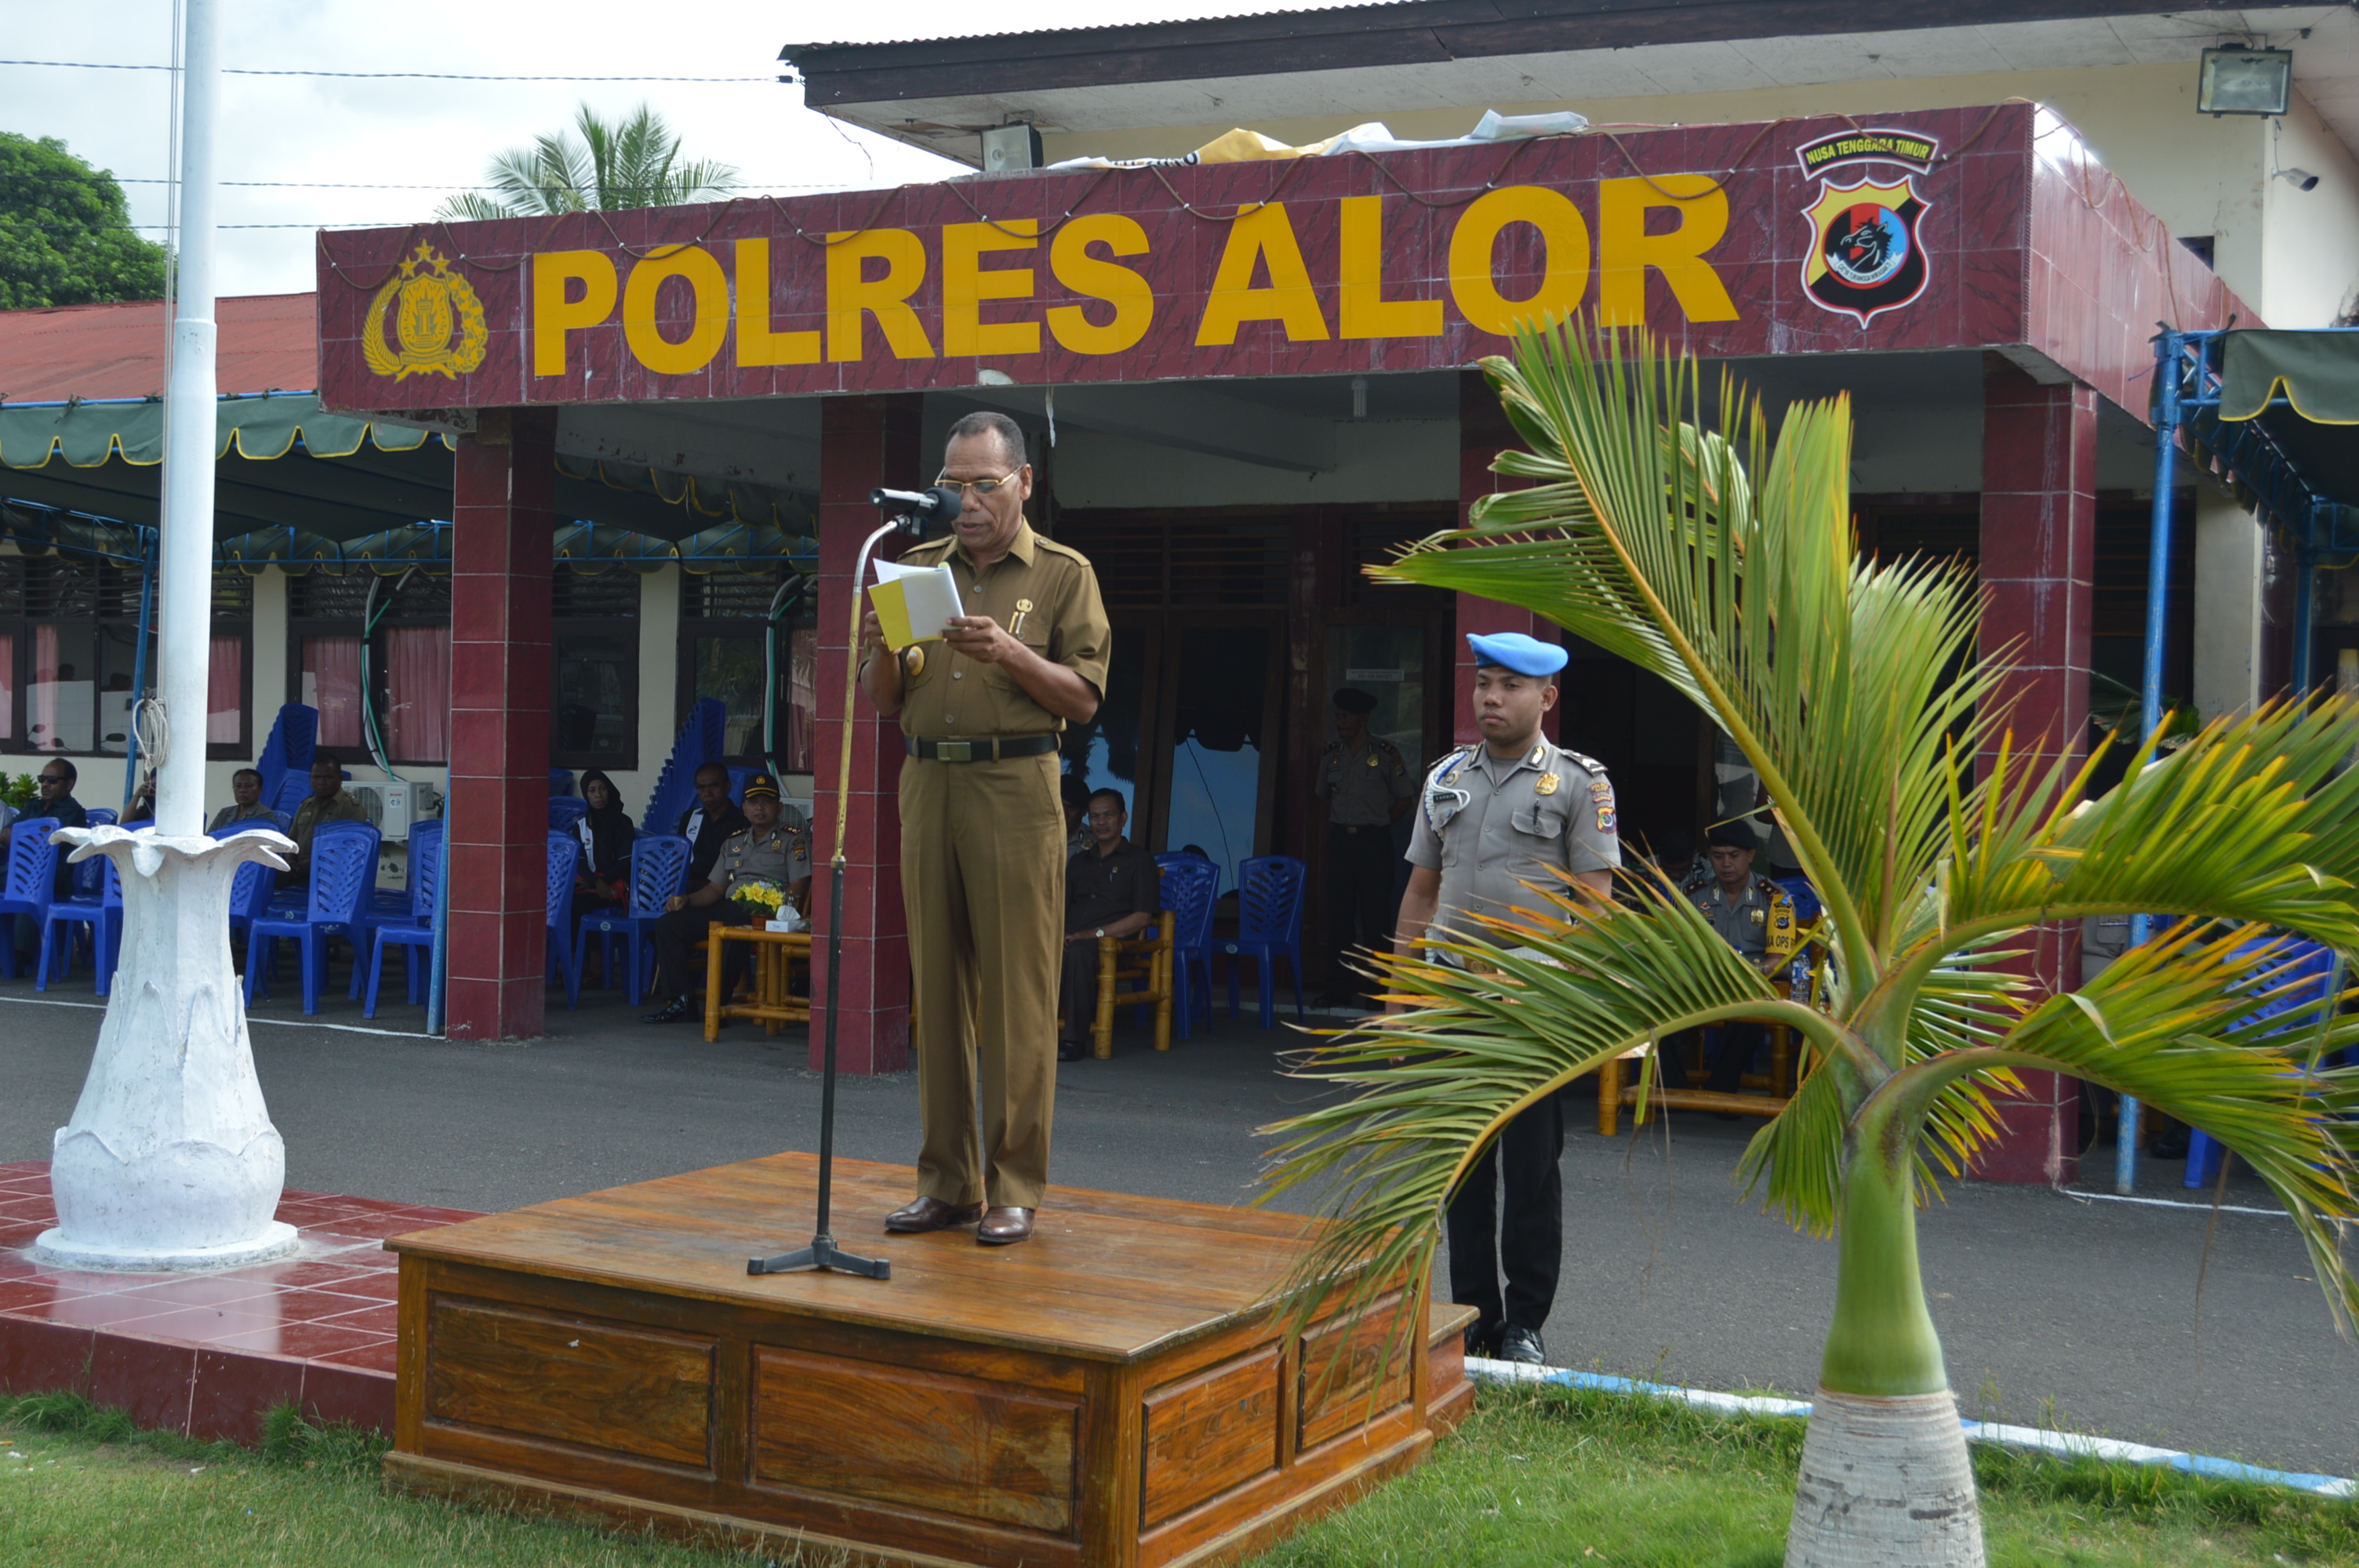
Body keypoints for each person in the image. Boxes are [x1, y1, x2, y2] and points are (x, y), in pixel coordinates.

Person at [859, 408, 1110, 1247]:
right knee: (937, 984)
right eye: (951, 484)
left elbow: (1082, 700)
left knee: (1016, 994)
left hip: (1017, 782)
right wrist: (884, 647)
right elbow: (884, 700)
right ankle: (947, 1182)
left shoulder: (1065, 573)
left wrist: (1009, 651)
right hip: (926, 778)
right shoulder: (913, 568)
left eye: (982, 484)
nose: (964, 501)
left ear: (1023, 483)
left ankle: (1012, 1185)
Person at [1394, 632, 1618, 1366]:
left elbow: (1595, 907)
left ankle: (1524, 1323)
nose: (1490, 697)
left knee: (1530, 1170)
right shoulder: (1444, 778)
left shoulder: (1582, 785)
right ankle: (1471, 1314)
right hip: (1453, 997)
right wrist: (1402, 1003)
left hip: (1532, 1008)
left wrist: (1569, 1000)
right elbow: (1420, 896)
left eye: (1509, 687)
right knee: (1462, 1168)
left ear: (1545, 698)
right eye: (1483, 683)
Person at [642, 773, 810, 1022]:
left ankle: (718, 1002)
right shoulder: (734, 842)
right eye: (753, 802)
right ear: (744, 808)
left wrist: (784, 910)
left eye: (766, 801)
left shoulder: (793, 839)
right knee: (668, 924)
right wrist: (686, 900)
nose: (760, 808)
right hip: (729, 906)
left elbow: (799, 883)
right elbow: (715, 889)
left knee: (734, 925)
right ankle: (682, 1000)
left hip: (766, 912)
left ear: (779, 807)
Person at [1671, 824, 1798, 1096]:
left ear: (1751, 855)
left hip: (1750, 981)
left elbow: (1778, 960)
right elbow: (1677, 949)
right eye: (1717, 856)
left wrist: (1745, 975)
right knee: (1658, 1004)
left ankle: (1722, 1090)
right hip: (1701, 981)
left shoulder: (1776, 898)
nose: (1726, 864)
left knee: (1750, 1015)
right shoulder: (1692, 894)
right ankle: (1672, 1089)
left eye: (1734, 855)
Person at [1317, 686, 1415, 1007]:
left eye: (1345, 716)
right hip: (1341, 841)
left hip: (1374, 843)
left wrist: (1380, 821)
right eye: (1337, 715)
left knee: (1376, 919)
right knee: (1339, 918)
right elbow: (1322, 795)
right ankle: (1338, 989)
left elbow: (1404, 798)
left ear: (1363, 718)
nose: (1339, 721)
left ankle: (1379, 991)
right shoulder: (1331, 754)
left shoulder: (1385, 753)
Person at [1057, 789, 1162, 1062]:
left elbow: (1141, 917)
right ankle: (1029, 1034)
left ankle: (1073, 1041)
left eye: (1108, 815)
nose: (1101, 822)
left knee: (1079, 951)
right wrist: (1056, 935)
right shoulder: (1079, 861)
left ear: (1123, 818)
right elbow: (1060, 908)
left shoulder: (1139, 860)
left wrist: (1090, 934)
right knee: (1033, 950)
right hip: (1073, 939)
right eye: (1095, 817)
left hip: (1115, 944)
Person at [3, 760, 89, 958]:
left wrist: (21, 835)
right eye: (42, 779)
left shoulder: (73, 812)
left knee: (26, 884)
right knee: (16, 880)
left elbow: (46, 843)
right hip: (22, 872)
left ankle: (19, 957)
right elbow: (5, 832)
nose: (45, 785)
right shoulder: (33, 806)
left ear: (69, 784)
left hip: (55, 877)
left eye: (52, 780)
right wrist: (25, 836)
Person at [283, 752, 369, 885]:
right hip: (300, 874)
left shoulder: (350, 808)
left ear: (340, 779)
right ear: (310, 778)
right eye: (316, 777)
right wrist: (290, 862)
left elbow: (349, 851)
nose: (322, 782)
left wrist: (315, 863)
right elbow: (291, 841)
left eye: (328, 777)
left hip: (332, 879)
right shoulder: (306, 805)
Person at [675, 763, 747, 894]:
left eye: (714, 786)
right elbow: (679, 859)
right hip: (687, 890)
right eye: (701, 787)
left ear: (728, 787)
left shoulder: (743, 821)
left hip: (725, 892)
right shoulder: (690, 818)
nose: (707, 793)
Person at [572, 769, 637, 917]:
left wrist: (603, 882)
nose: (598, 795)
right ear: (586, 795)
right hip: (591, 883)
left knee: (578, 905)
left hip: (616, 884)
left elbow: (625, 862)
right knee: (564, 900)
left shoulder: (623, 822)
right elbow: (579, 862)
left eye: (603, 788)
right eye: (592, 790)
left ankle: (586, 942)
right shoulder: (581, 826)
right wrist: (594, 881)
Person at [208, 768, 289, 833]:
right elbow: (209, 838)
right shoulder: (224, 813)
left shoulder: (264, 814)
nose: (242, 790)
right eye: (238, 786)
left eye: (249, 786)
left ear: (260, 790)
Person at [1060, 771, 1094, 858]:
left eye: (1071, 808)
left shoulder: (1096, 843)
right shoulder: (1034, 835)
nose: (1063, 814)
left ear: (1084, 811)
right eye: (1059, 807)